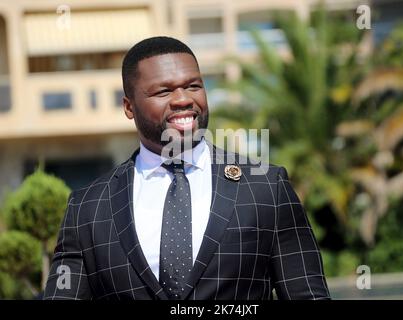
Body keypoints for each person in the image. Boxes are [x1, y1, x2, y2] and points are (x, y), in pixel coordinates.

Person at [43, 36, 330, 300]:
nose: (183, 99)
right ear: (129, 107)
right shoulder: (87, 209)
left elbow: (308, 294)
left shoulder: (266, 186)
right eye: (163, 91)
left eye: (193, 85)